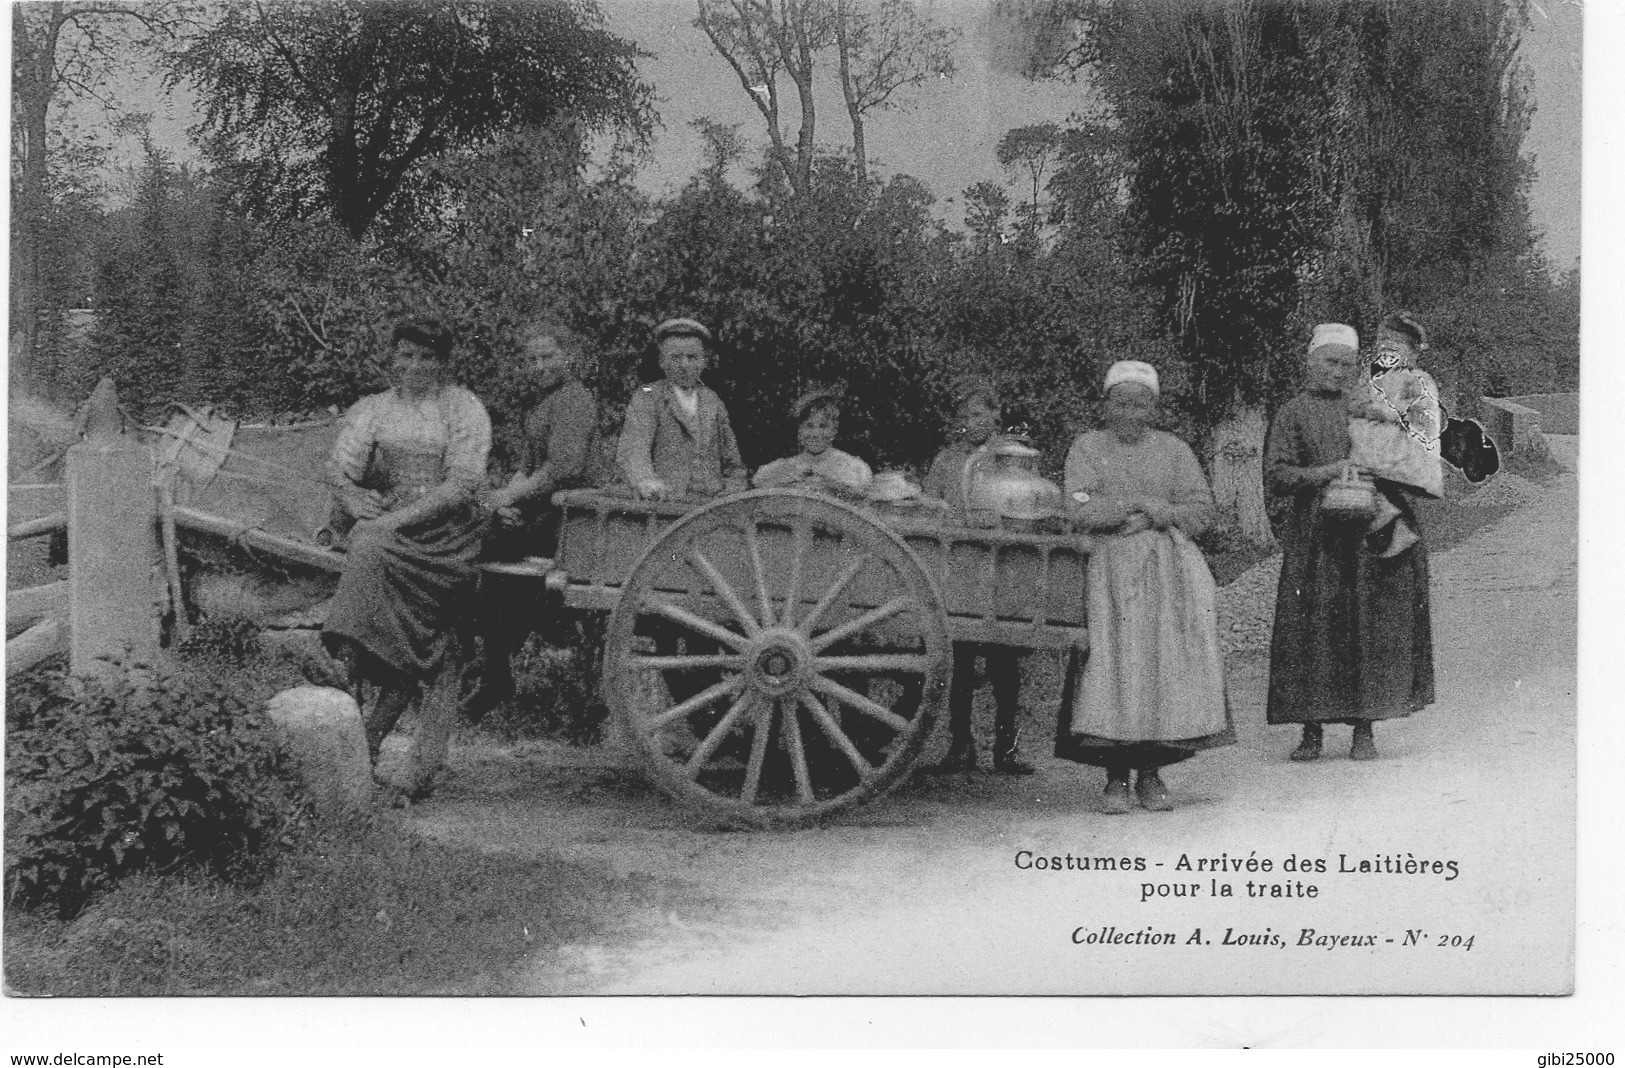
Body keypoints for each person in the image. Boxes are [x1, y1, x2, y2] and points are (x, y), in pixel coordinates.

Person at [321, 316, 492, 793]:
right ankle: (365, 662)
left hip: (448, 530)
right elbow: (341, 468)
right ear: (393, 358)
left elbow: (462, 486)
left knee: (369, 543)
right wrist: (354, 499)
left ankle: (342, 651)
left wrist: (388, 522)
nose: (413, 365)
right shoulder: (374, 408)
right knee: (369, 541)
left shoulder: (463, 408)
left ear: (441, 363)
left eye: (425, 357)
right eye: (405, 355)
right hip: (391, 518)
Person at [1054, 360, 1232, 813]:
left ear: (1153, 408)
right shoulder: (1088, 448)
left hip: (1169, 576)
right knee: (1114, 670)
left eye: (1140, 404)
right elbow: (1078, 506)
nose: (1130, 412)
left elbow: (1200, 510)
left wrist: (1157, 511)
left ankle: (1151, 776)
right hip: (1108, 576)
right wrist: (1126, 506)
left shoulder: (1174, 450)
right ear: (1106, 405)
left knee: (1161, 670)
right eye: (1121, 402)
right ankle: (1115, 779)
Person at [1265, 323, 1436, 763]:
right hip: (1316, 538)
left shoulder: (1372, 406)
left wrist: (1382, 463)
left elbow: (1410, 460)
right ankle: (1311, 730)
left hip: (1368, 536)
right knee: (1313, 629)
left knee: (1365, 626)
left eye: (1346, 364)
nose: (1338, 372)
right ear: (1310, 363)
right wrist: (1326, 472)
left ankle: (1365, 728)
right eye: (1329, 362)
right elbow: (1278, 475)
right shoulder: (1293, 413)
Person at [468, 319, 599, 719]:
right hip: (542, 508)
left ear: (569, 357)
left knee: (483, 550)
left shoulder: (575, 400)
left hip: (571, 515)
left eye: (549, 356)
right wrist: (502, 503)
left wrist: (509, 498)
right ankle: (495, 664)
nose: (541, 366)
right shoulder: (543, 404)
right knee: (487, 543)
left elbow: (562, 467)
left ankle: (500, 665)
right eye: (534, 359)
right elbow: (528, 468)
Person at [919, 382, 1032, 776]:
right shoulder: (947, 460)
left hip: (1002, 571)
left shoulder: (1011, 458)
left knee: (1005, 665)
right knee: (961, 662)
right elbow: (928, 503)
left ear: (996, 415)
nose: (973, 424)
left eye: (980, 414)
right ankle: (960, 745)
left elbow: (1029, 504)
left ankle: (1007, 748)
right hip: (960, 571)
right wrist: (943, 512)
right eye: (966, 417)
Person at [616, 317, 747, 500]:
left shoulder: (713, 400)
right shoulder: (648, 395)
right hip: (666, 503)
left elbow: (733, 462)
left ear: (703, 361)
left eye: (692, 357)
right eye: (676, 358)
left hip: (709, 504)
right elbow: (635, 449)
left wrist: (733, 489)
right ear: (662, 361)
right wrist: (645, 481)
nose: (684, 365)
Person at [751, 388, 873, 496]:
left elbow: (861, 492)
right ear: (799, 431)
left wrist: (830, 484)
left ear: (834, 430)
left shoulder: (852, 467)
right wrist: (785, 481)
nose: (815, 434)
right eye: (809, 426)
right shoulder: (783, 466)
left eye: (823, 426)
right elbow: (757, 483)